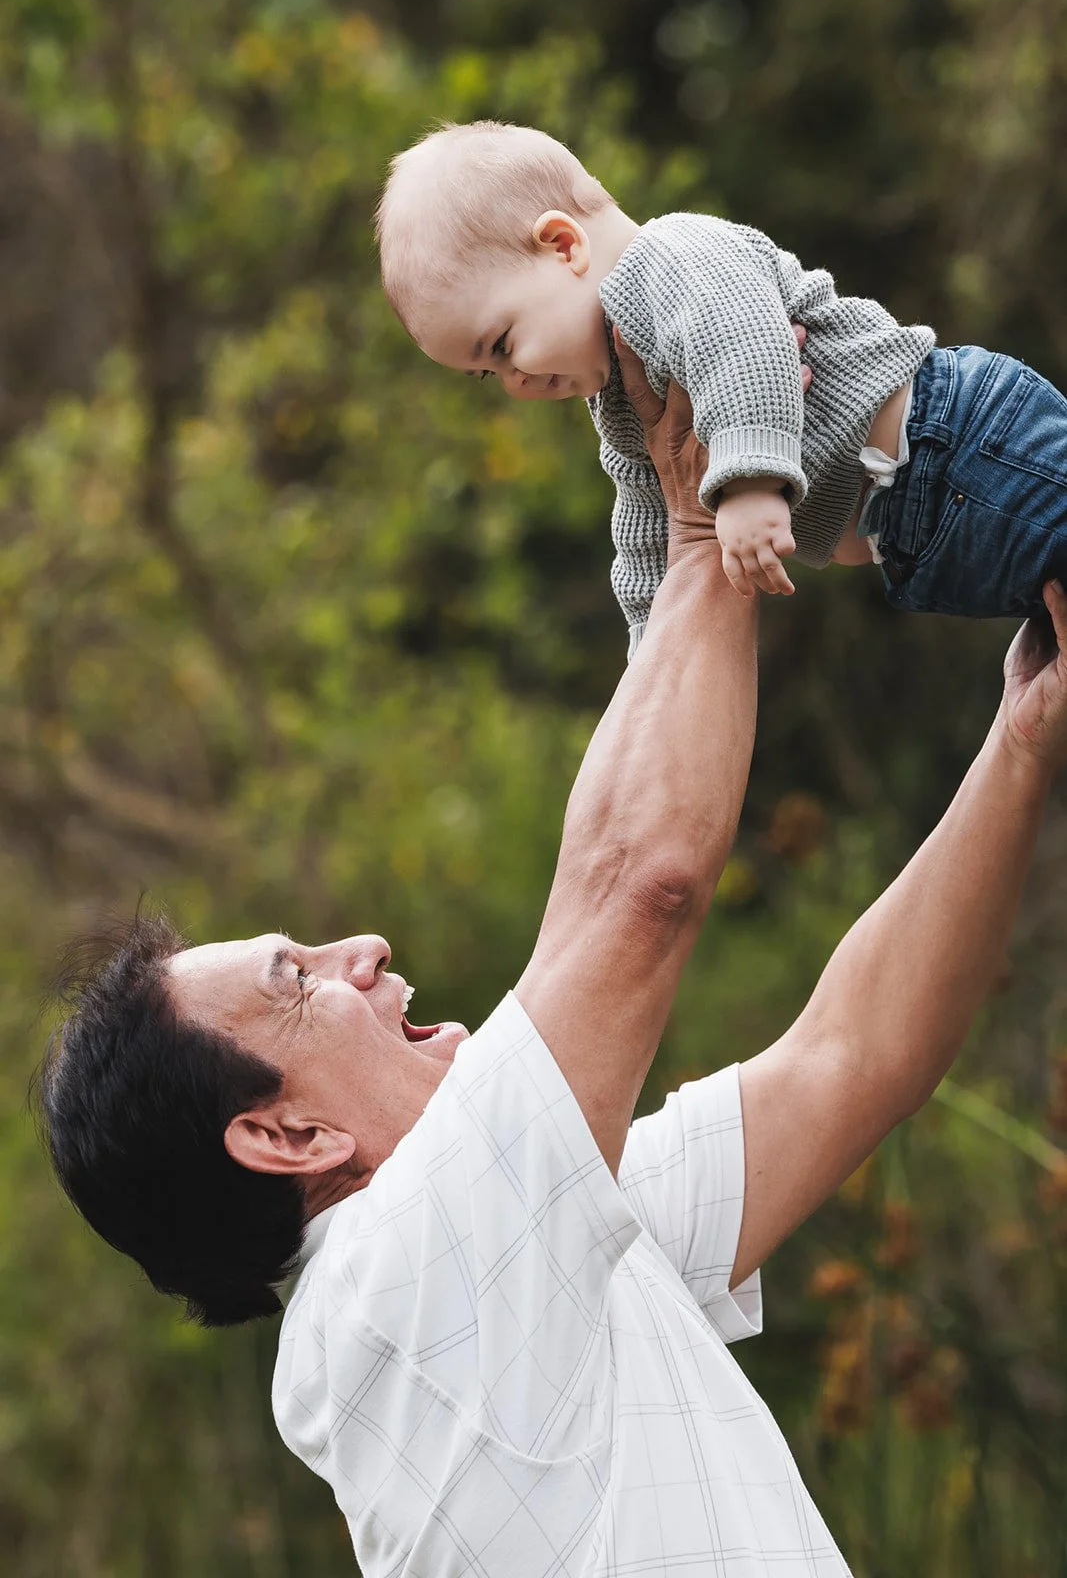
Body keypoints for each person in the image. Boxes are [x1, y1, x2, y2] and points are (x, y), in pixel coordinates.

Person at [37, 342, 1067, 1577]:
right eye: (296, 981)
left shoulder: (524, 1244)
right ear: (286, 1138)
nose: (360, 948)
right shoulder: (395, 1297)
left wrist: (1020, 738)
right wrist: (701, 522)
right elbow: (639, 887)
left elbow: (850, 1061)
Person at [377, 119, 1067, 659]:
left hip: (956, 451)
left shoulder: (670, 256)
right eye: (487, 375)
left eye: (501, 346)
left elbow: (747, 345)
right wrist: (654, 654)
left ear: (563, 246)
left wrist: (749, 486)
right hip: (923, 534)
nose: (515, 384)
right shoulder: (620, 400)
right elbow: (647, 530)